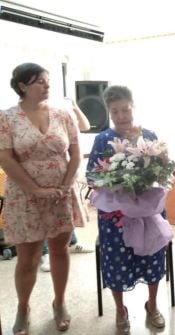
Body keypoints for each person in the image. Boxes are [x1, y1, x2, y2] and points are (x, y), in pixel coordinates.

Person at [0, 62, 86, 334]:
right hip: (25, 196)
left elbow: (74, 152)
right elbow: (4, 157)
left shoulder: (63, 115)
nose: (47, 85)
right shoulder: (7, 118)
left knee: (60, 250)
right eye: (39, 81)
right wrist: (36, 189)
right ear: (22, 86)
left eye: (48, 81)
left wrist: (65, 185)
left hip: (60, 194)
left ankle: (59, 303)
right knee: (29, 258)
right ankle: (23, 308)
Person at [86, 85, 166, 333]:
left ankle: (152, 305)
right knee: (116, 262)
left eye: (125, 109)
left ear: (133, 106)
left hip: (147, 212)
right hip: (114, 216)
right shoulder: (102, 139)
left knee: (153, 256)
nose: (122, 116)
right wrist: (113, 181)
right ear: (109, 112)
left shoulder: (149, 136)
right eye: (115, 111)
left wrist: (161, 163)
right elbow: (91, 176)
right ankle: (120, 311)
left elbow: (163, 173)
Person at [40, 98, 93, 272]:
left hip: (67, 171)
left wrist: (75, 107)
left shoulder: (63, 110)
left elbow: (85, 126)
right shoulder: (36, 114)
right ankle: (45, 253)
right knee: (47, 216)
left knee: (66, 213)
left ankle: (74, 242)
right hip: (44, 174)